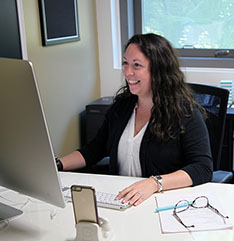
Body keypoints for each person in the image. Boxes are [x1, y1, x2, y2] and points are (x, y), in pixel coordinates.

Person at [57, 33, 213, 207]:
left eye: (136, 65)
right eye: (125, 63)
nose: (127, 72)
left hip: (163, 203)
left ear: (158, 70)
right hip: (121, 199)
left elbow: (202, 167)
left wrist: (155, 183)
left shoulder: (184, 113)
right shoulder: (122, 107)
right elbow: (94, 149)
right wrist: (57, 164)